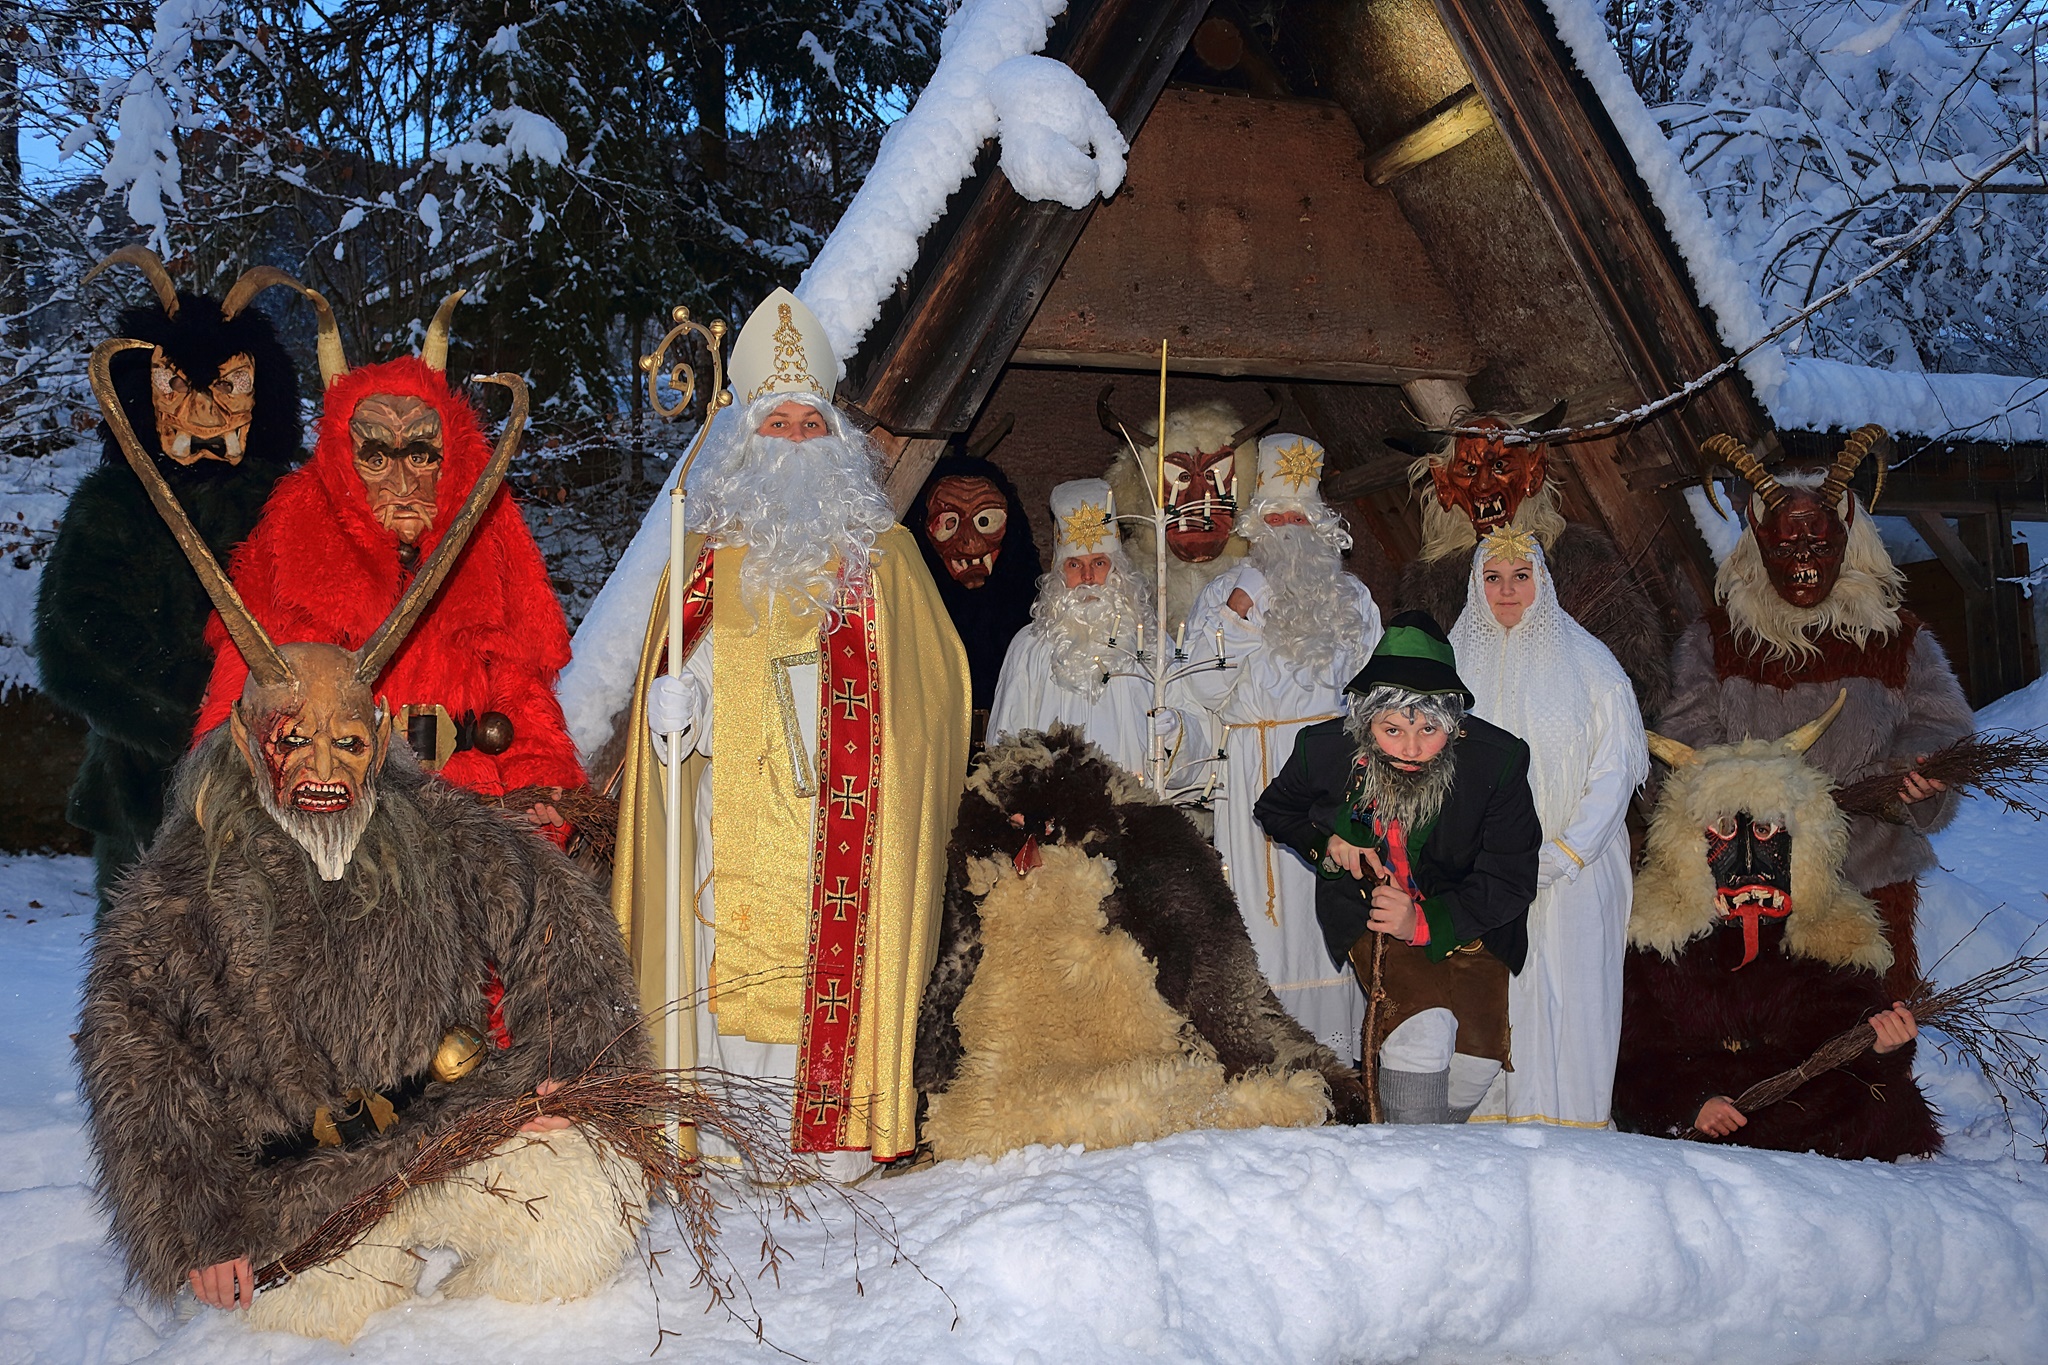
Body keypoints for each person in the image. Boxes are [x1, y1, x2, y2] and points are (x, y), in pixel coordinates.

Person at [74, 376, 648, 1343]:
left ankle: (465, 1339)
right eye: (293, 742)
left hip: (450, 1125)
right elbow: (138, 1050)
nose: (322, 770)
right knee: (321, 1322)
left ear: (379, 742)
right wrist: (197, 1222)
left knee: (592, 1209)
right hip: (299, 1181)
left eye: (347, 743)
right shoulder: (189, 883)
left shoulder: (441, 826)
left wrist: (561, 1067)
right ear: (249, 741)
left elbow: (561, 928)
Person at [616, 288, 970, 1180]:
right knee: (723, 971)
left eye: (812, 425)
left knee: (827, 967)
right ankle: (726, 1136)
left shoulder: (883, 561)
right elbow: (688, 672)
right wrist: (676, 712)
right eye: (778, 425)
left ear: (838, 441)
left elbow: (933, 699)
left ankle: (831, 1138)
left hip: (840, 824)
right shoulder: (704, 563)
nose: (797, 442)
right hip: (729, 820)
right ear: (747, 442)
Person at [191, 290, 587, 828]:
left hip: (470, 808)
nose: (402, 484)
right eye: (376, 458)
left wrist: (538, 783)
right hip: (337, 804)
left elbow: (523, 691)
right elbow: (240, 697)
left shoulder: (487, 533)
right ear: (344, 461)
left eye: (420, 455)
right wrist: (228, 804)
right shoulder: (293, 534)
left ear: (448, 458)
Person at [1656, 428, 1972, 999]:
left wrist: (1917, 776)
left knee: (1874, 1029)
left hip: (1869, 873)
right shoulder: (1717, 642)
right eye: (1784, 548)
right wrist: (1748, 796)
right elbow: (1688, 734)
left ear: (1848, 543)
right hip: (1749, 884)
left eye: (1820, 546)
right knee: (1767, 1029)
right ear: (1759, 547)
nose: (1802, 561)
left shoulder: (1894, 640)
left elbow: (1942, 723)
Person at [34, 249, 304, 914]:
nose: (204, 412)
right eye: (176, 386)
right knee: (149, 960)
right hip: (141, 790)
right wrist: (194, 712)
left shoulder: (293, 507)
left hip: (279, 790)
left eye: (229, 386)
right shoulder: (114, 505)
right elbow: (76, 640)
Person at [1615, 694, 1939, 1161]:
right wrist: (1692, 1103)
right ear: (1688, 842)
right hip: (1705, 1118)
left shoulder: (1829, 932)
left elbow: (1844, 1039)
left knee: (1887, 1105)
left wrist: (1881, 1045)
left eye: (1767, 832)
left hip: (1798, 1109)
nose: (1748, 863)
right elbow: (1635, 1060)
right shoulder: (1657, 938)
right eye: (1725, 831)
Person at [1254, 612, 1540, 1123]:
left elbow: (1511, 876)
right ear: (1367, 722)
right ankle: (1410, 1158)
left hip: (1470, 917)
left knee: (1476, 1062)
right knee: (1422, 1034)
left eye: (1429, 729)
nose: (1410, 749)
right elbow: (1275, 809)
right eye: (1392, 730)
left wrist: (1424, 922)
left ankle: (1426, 1143)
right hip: (1372, 913)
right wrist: (1328, 843)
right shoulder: (1324, 750)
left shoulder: (1497, 762)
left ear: (1455, 726)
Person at [1178, 435, 1383, 1059]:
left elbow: (1374, 694)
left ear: (1319, 525)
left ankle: (1341, 1059)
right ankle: (1269, 1055)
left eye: (1299, 518)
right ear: (1255, 525)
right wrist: (1241, 611)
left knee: (1329, 913)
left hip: (1333, 774)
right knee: (1262, 920)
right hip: (1254, 771)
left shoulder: (1351, 597)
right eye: (1275, 518)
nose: (1287, 531)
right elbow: (1200, 688)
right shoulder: (1225, 593)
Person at [1448, 529, 1647, 1127]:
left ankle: (1570, 1132)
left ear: (1543, 583)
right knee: (1489, 996)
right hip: (1482, 876)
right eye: (1493, 578)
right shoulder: (1449, 665)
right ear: (1476, 587)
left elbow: (1616, 771)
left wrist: (1562, 853)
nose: (1507, 591)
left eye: (1521, 577)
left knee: (1571, 995)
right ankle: (1486, 1132)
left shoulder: (1591, 665)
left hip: (1575, 871)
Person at [1392, 410, 1669, 715]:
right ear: (1444, 483)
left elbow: (1638, 681)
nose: (1483, 484)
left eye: (1499, 466)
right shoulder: (1428, 586)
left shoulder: (1580, 559)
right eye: (1469, 469)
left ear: (1532, 473)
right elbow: (1410, 691)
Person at [988, 478, 1197, 779]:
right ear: (1059, 571)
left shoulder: (1153, 645)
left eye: (1099, 563)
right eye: (1075, 565)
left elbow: (1195, 732)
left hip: (1138, 801)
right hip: (1051, 803)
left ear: (1118, 569)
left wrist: (1177, 734)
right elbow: (1005, 745)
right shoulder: (1029, 647)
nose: (1087, 577)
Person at [1098, 386, 1278, 633]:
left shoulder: (1255, 573)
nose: (1197, 501)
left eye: (1214, 475)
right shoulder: (1132, 580)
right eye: (1181, 477)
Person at [907, 446, 1042, 737]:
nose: (970, 543)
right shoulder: (908, 613)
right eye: (949, 523)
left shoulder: (1029, 615)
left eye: (985, 521)